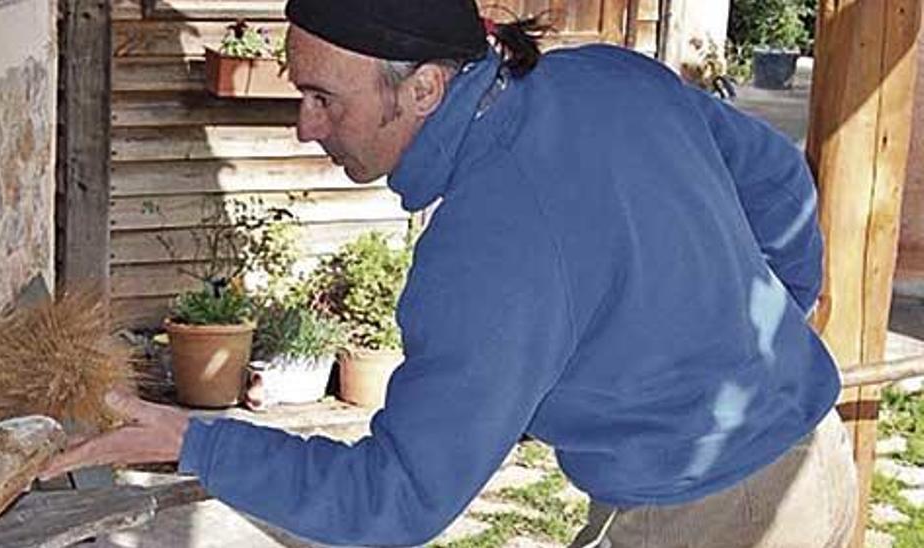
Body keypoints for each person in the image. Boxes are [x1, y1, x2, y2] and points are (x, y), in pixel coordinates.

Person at [42, 1, 859, 545]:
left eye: (324, 98)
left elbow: (395, 496)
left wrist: (195, 440)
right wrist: (763, 328)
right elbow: (781, 183)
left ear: (426, 87)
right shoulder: (607, 74)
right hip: (819, 458)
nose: (303, 126)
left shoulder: (486, 243)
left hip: (719, 518)